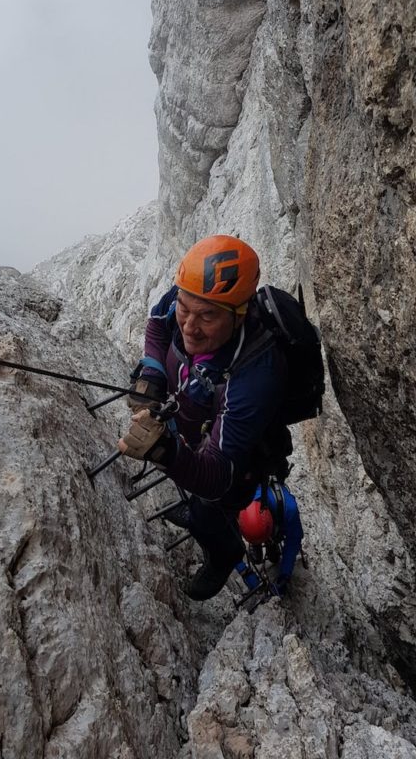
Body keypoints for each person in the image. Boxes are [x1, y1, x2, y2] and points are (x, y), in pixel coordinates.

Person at [118, 234, 293, 601]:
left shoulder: (256, 375)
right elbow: (157, 323)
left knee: (207, 511)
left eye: (208, 316)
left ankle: (223, 553)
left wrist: (165, 451)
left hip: (235, 466)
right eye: (185, 309)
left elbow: (216, 476)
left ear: (239, 312)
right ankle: (195, 510)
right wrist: (152, 370)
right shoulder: (191, 294)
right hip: (190, 423)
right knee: (193, 495)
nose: (189, 326)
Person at [235, 478, 304, 597]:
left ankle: (272, 542)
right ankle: (257, 542)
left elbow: (293, 540)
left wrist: (284, 576)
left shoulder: (289, 509)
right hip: (257, 520)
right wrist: (244, 571)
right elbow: (224, 543)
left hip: (277, 519)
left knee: (276, 539)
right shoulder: (234, 502)